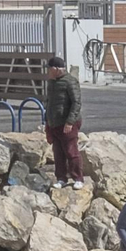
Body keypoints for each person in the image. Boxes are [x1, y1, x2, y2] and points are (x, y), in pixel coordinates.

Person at [44, 55, 84, 188]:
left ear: (56, 69)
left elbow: (76, 103)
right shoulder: (51, 83)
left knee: (71, 151)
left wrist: (70, 122)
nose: (48, 71)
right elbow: (48, 103)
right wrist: (47, 122)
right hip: (54, 123)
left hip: (67, 123)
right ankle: (61, 178)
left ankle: (78, 178)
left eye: (49, 69)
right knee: (58, 153)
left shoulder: (70, 82)